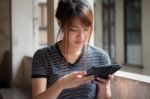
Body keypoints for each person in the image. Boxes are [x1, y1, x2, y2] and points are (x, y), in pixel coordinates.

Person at [32, 0, 113, 99]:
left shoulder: (101, 57)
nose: (81, 36)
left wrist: (104, 87)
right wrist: (61, 84)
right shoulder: (43, 57)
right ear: (60, 24)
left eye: (86, 29)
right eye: (74, 30)